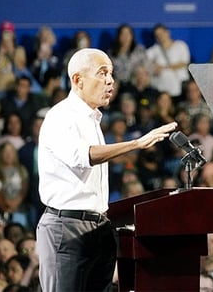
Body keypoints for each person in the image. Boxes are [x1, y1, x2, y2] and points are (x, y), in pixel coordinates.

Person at [36, 48, 177, 291]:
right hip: (67, 229)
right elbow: (84, 156)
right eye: (102, 73)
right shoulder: (61, 116)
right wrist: (136, 143)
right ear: (78, 80)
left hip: (99, 227)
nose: (110, 81)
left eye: (111, 73)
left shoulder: (93, 120)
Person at [146, 23, 191, 98]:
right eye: (157, 35)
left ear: (167, 32)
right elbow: (144, 61)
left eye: (161, 33)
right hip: (162, 90)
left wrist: (164, 67)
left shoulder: (180, 45)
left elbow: (184, 63)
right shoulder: (154, 49)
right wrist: (153, 67)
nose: (160, 36)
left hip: (180, 85)